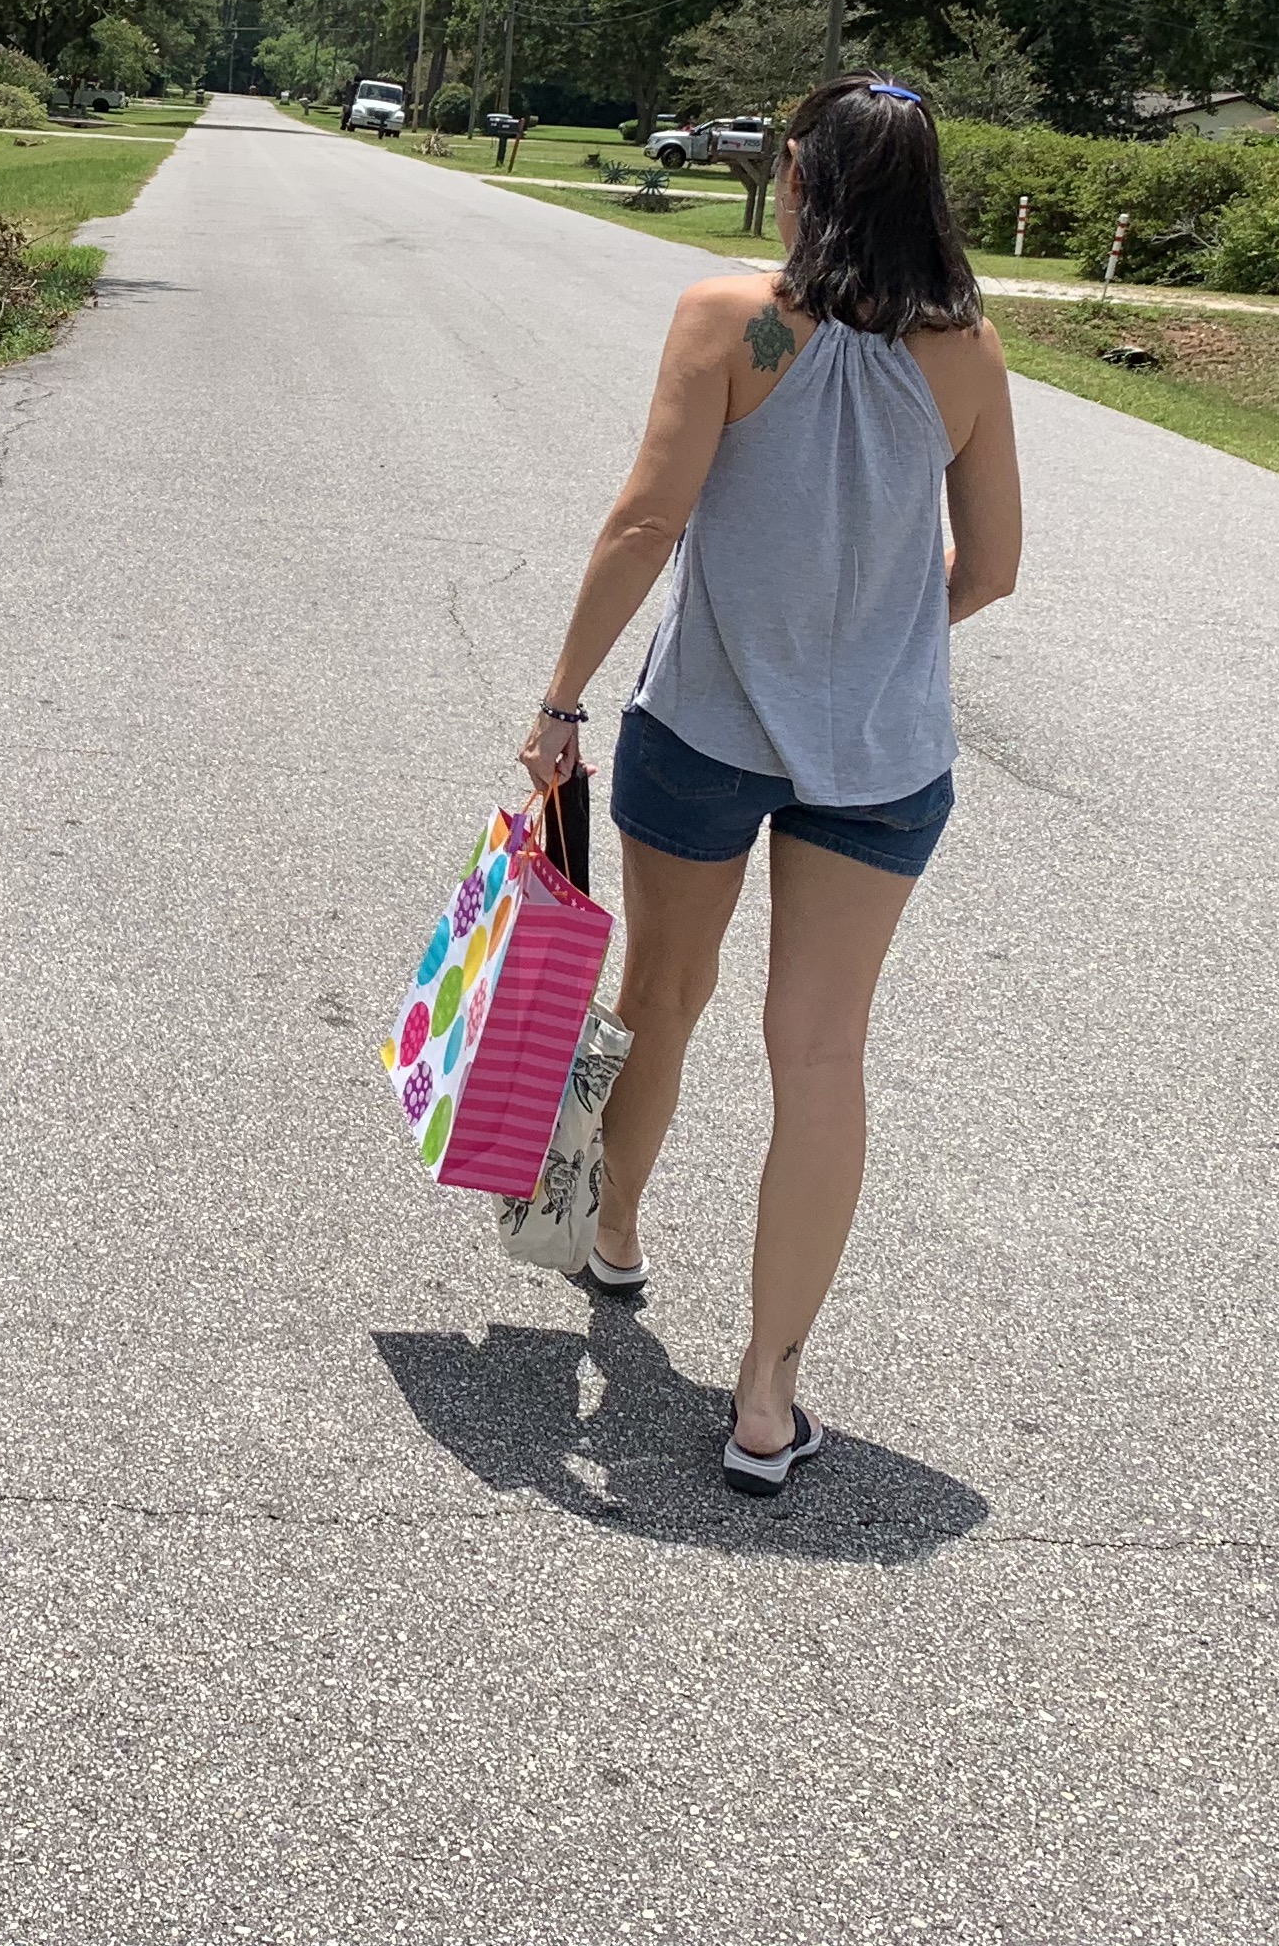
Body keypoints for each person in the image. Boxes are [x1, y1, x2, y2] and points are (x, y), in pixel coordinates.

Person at [512, 75, 1023, 1496]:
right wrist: (869, 640)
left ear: (797, 173)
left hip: (706, 727)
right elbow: (991, 569)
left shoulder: (731, 319)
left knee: (665, 994)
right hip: (883, 758)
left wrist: (560, 700)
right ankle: (765, 1398)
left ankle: (615, 1236)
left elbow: (647, 520)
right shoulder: (968, 351)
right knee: (821, 1052)